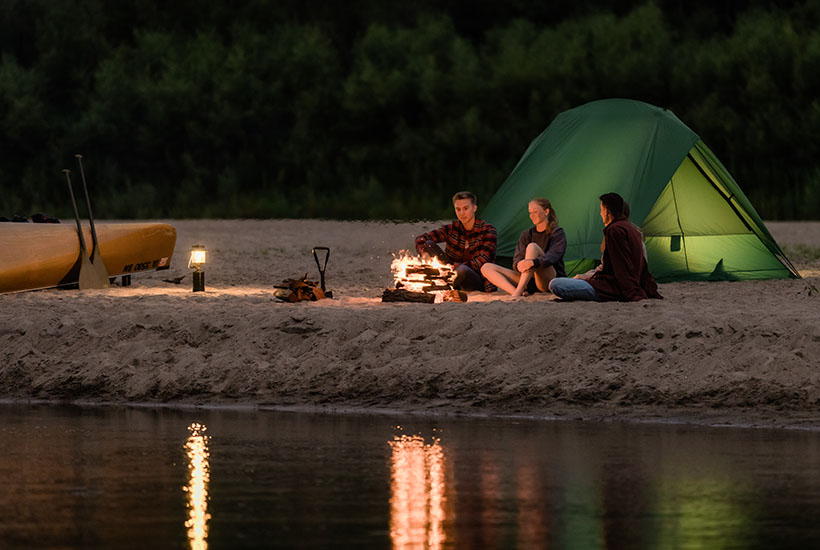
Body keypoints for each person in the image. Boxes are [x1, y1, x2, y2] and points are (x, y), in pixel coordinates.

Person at [549, 192, 662, 301]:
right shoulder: (632, 229)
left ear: (607, 211)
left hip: (611, 288)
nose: (600, 214)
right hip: (620, 284)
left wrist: (630, 292)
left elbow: (621, 266)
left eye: (601, 210)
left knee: (555, 284)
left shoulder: (615, 231)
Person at [480, 198, 566, 296]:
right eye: (530, 213)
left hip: (549, 280)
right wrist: (520, 265)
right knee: (486, 267)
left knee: (532, 247)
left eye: (535, 212)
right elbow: (517, 259)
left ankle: (518, 290)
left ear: (546, 212)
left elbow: (554, 256)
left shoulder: (557, 233)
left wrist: (533, 262)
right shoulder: (527, 234)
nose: (532, 216)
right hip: (528, 280)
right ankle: (515, 292)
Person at [414, 191, 497, 291]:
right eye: (458, 209)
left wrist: (456, 266)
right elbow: (421, 238)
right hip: (450, 271)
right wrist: (424, 254)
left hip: (476, 279)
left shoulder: (488, 230)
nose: (462, 213)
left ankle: (444, 285)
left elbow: (483, 260)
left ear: (474, 208)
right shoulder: (452, 229)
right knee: (428, 244)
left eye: (466, 209)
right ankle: (443, 282)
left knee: (462, 270)